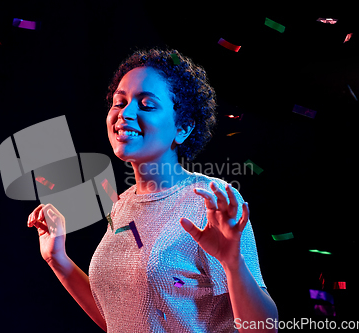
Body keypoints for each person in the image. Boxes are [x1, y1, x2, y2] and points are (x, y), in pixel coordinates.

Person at [27, 48, 278, 332]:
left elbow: (264, 328)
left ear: (182, 128)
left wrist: (233, 264)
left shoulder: (209, 199)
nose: (125, 113)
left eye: (146, 105)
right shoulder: (122, 204)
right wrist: (57, 259)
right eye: (118, 102)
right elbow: (119, 320)